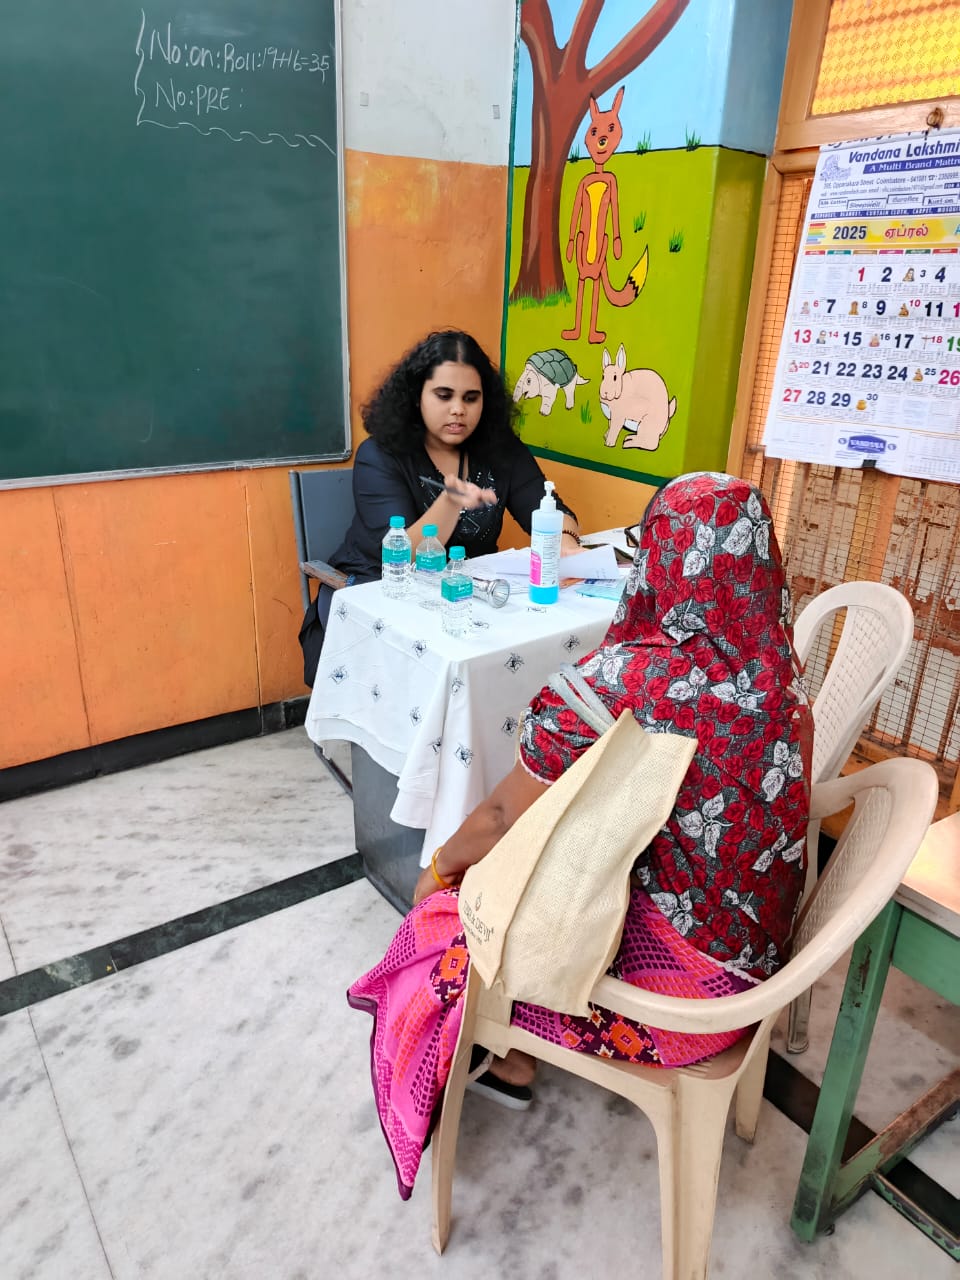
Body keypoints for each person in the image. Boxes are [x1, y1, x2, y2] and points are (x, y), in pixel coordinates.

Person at [347, 472, 813, 1200]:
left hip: (683, 1010)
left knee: (445, 922)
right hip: (762, 964)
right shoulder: (777, 666)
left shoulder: (629, 680)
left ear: (656, 558)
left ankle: (493, 1057)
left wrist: (435, 872)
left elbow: (500, 819)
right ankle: (513, 1058)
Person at [328, 329, 581, 582]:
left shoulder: (502, 449)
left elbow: (551, 508)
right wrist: (450, 502)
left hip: (465, 591)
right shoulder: (379, 455)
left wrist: (565, 543)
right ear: (416, 396)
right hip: (378, 588)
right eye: (444, 396)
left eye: (471, 398)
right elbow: (401, 555)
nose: (458, 409)